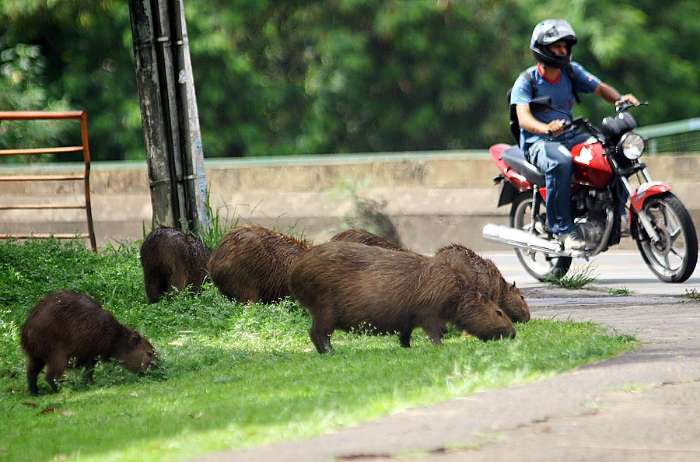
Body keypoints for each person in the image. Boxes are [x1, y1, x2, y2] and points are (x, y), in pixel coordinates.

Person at [510, 19, 639, 250]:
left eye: (564, 46)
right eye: (556, 46)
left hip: (569, 135)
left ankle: (617, 214)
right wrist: (546, 128)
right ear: (542, 49)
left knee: (611, 152)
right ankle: (562, 229)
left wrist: (619, 99)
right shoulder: (527, 80)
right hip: (538, 141)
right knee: (561, 162)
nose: (562, 51)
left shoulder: (570, 71)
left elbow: (599, 87)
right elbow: (524, 118)